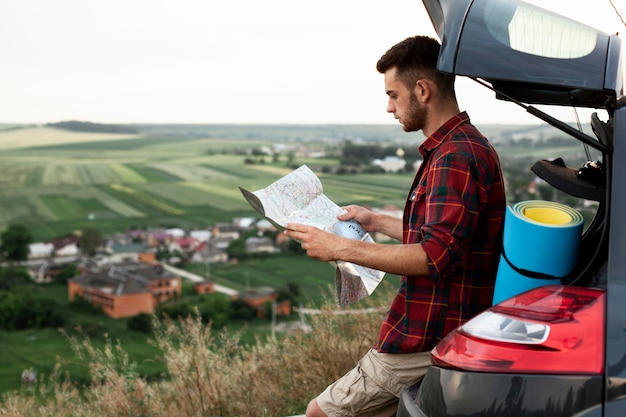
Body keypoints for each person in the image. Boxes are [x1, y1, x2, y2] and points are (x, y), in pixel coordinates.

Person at [285, 35, 505, 416]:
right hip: (439, 331)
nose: (388, 107)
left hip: (426, 337)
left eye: (393, 95)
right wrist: (376, 221)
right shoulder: (462, 147)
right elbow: (447, 238)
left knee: (318, 412)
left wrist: (337, 248)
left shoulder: (454, 157)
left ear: (422, 90)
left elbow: (434, 256)